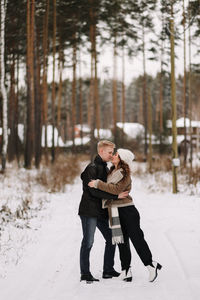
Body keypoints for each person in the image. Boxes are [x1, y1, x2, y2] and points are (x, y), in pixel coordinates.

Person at [88, 148, 162, 283]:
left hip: (127, 211)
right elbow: (112, 191)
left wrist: (98, 184)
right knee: (122, 241)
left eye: (116, 154)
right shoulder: (112, 171)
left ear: (122, 159)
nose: (113, 155)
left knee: (137, 239)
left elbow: (115, 189)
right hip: (115, 210)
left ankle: (151, 265)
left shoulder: (123, 173)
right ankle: (126, 270)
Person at [78, 140, 129, 283]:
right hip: (89, 211)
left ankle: (108, 270)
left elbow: (108, 185)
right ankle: (85, 273)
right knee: (88, 242)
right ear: (101, 152)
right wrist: (115, 196)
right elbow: (94, 192)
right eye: (109, 152)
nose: (111, 155)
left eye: (113, 152)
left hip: (100, 211)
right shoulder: (92, 168)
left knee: (111, 238)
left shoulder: (105, 168)